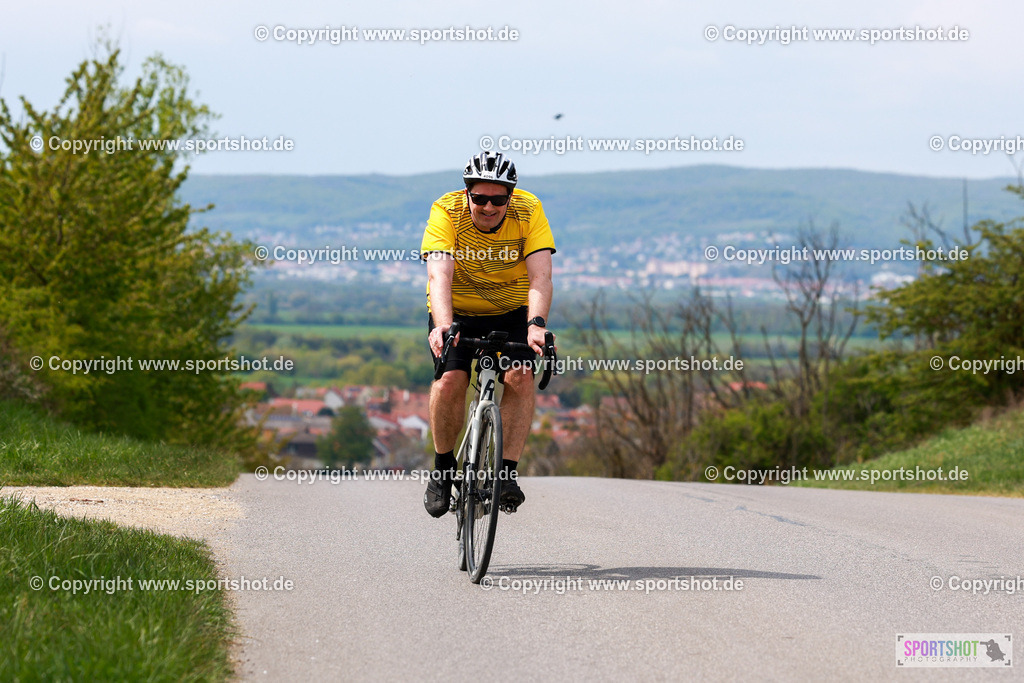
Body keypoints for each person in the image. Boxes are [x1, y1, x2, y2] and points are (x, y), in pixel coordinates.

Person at [420, 151, 556, 517]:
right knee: (450, 380)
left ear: (510, 197)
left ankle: (506, 473)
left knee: (521, 375)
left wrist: (536, 326)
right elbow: (439, 276)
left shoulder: (529, 210)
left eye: (498, 199)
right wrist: (443, 324)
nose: (488, 207)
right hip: (457, 311)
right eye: (479, 198)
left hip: (513, 313)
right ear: (467, 195)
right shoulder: (446, 211)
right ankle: (444, 468)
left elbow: (541, 276)